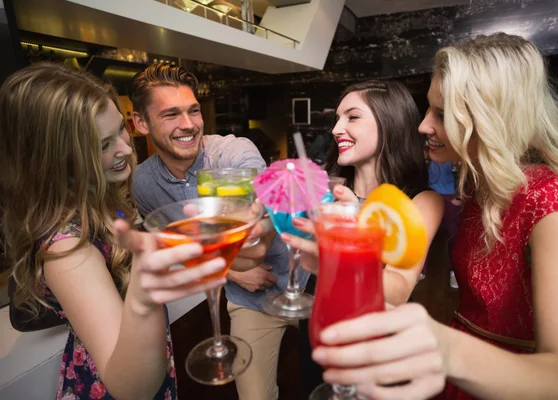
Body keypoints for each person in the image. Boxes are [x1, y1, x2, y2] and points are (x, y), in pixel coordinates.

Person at [306, 33, 558, 400]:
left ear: (491, 117)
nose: (423, 126)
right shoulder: (481, 190)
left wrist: (444, 348)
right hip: (456, 374)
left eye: (441, 114)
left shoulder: (554, 199)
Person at [0, 63, 228, 399]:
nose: (125, 148)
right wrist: (144, 295)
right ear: (59, 160)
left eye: (121, 131)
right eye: (103, 144)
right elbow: (132, 389)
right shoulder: (67, 248)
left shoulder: (101, 198)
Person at [130, 63, 308, 400]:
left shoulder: (234, 153)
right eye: (171, 114)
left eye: (193, 111)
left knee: (333, 379)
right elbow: (174, 249)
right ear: (141, 123)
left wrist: (253, 240)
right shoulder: (143, 182)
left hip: (301, 284)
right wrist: (237, 275)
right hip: (249, 300)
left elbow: (262, 227)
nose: (188, 125)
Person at [281, 80, 445, 397]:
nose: (336, 129)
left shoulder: (420, 202)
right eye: (337, 119)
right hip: (322, 319)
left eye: (352, 117)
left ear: (390, 123)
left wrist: (336, 262)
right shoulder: (324, 194)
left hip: (377, 337)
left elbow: (398, 289)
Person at [427, 160, 462, 287]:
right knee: (424, 233)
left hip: (450, 195)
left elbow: (464, 169)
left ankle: (455, 272)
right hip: (431, 191)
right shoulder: (430, 147)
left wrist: (458, 196)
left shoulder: (454, 148)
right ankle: (420, 269)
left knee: (453, 235)